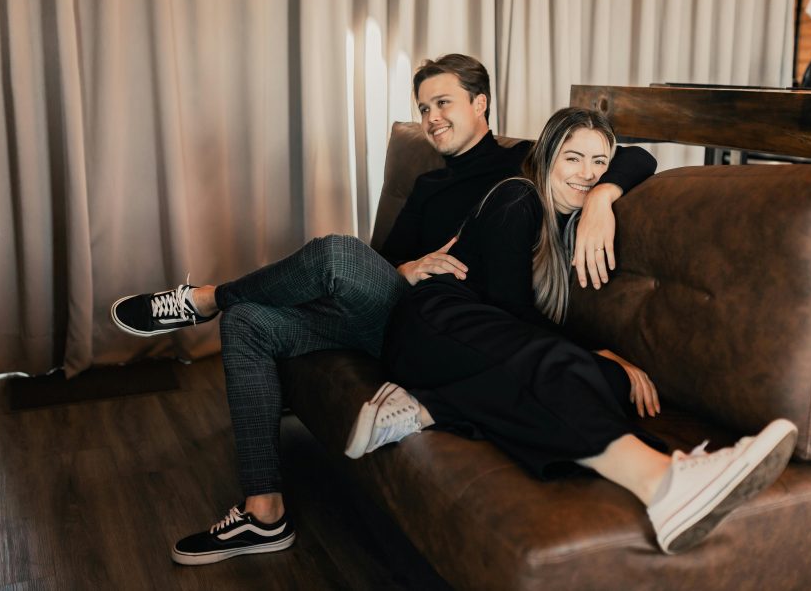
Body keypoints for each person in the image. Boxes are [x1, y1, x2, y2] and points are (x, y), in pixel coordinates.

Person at [110, 55, 658, 565]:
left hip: (446, 322)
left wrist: (604, 196)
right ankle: (263, 512)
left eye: (443, 102)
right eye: (423, 108)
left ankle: (204, 298)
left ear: (480, 104)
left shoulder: (524, 163)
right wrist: (408, 268)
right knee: (253, 320)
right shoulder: (427, 185)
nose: (432, 118)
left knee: (333, 254)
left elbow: (632, 154)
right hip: (396, 302)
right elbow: (384, 261)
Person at [344, 106, 797, 555]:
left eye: (598, 161)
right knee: (562, 364)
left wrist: (603, 197)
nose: (587, 173)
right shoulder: (517, 196)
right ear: (547, 158)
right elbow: (510, 311)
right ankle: (667, 480)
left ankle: (428, 407)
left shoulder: (572, 213)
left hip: (474, 351)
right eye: (573, 158)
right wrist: (600, 350)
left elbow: (640, 157)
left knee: (616, 382)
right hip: (435, 324)